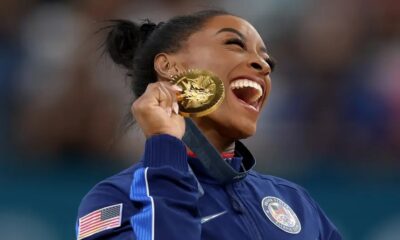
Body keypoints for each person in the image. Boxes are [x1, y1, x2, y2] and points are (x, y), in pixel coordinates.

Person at [76, 10, 342, 240]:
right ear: (168, 66)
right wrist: (164, 145)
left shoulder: (296, 203)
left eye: (267, 60)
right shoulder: (115, 200)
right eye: (234, 44)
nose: (263, 65)